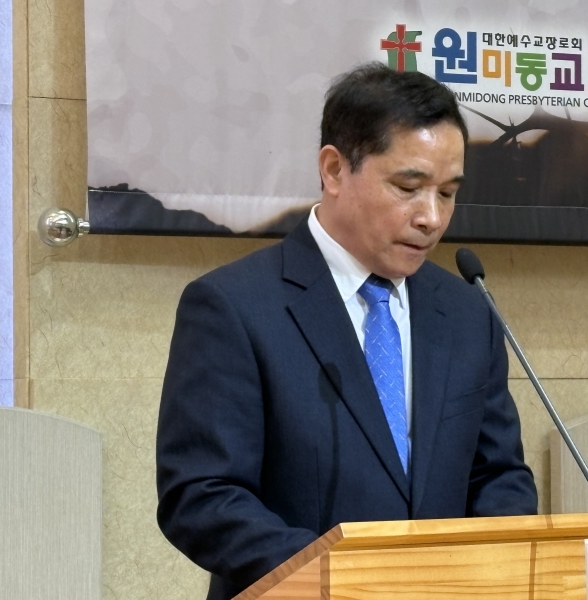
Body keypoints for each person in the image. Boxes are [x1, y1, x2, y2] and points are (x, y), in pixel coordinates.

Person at [156, 62, 537, 600]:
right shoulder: (233, 307)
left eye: (448, 193)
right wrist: (344, 580)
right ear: (334, 170)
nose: (431, 217)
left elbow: (499, 476)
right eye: (408, 187)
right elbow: (201, 495)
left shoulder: (467, 312)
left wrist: (482, 574)